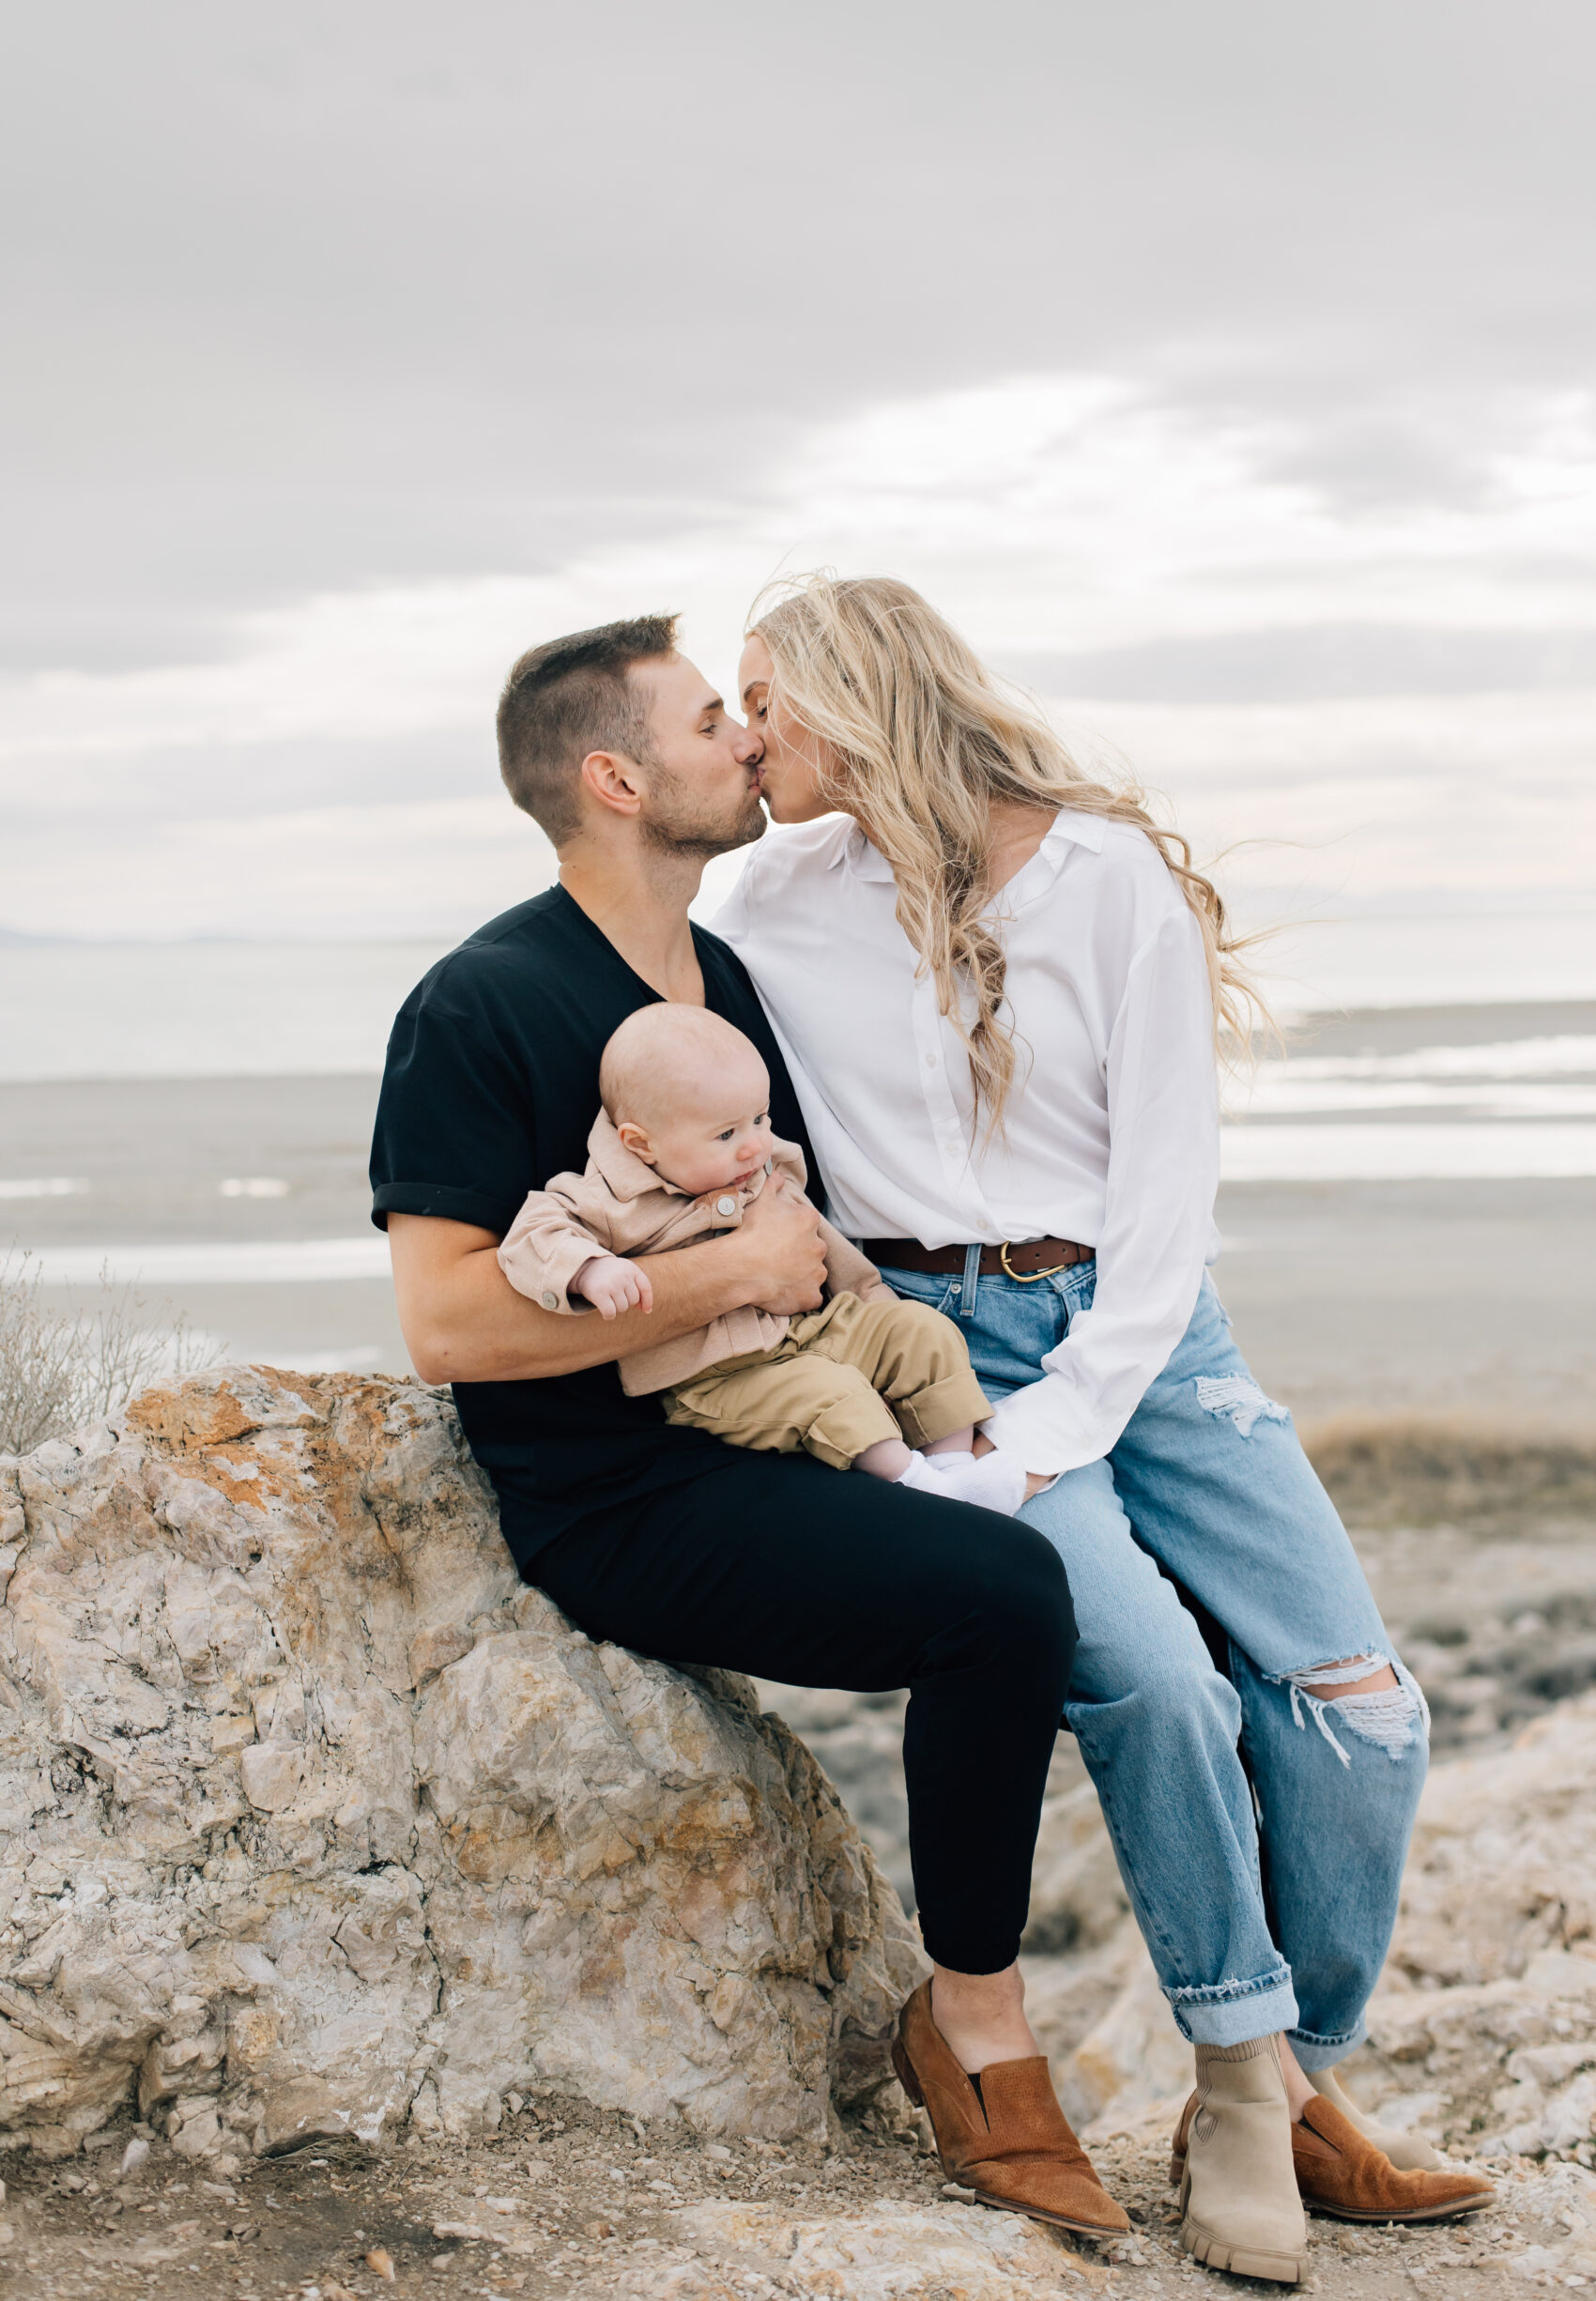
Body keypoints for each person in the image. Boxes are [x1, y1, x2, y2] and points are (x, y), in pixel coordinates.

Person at [720, 575, 1495, 2284]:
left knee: (1363, 1710)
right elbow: (631, 1002)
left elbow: (1162, 1217)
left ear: (852, 696)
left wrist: (1047, 1437)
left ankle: (1298, 2079)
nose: (743, 731)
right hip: (936, 1346)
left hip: (1145, 1328)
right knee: (1150, 1676)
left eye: (760, 695)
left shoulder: (1104, 877)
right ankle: (1233, 2091)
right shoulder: (772, 895)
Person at [369, 614, 1130, 2239]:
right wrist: (725, 1279)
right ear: (619, 778)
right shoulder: (481, 1001)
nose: (749, 737)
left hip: (767, 1427)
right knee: (999, 1600)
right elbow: (441, 1324)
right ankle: (975, 2027)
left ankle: (1266, 2058)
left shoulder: (724, 983)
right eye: (714, 717)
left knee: (1056, 1563)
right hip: (621, 1493)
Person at [495, 1002, 1025, 1511]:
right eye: (726, 1133)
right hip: (718, 1379)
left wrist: (871, 1300)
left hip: (811, 1333)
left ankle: (954, 1467)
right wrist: (589, 1268)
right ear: (641, 1144)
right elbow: (531, 1234)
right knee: (831, 1392)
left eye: (759, 1119)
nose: (753, 1145)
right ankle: (917, 1487)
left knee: (920, 1330)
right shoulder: (610, 1197)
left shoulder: (760, 1170)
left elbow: (820, 1240)